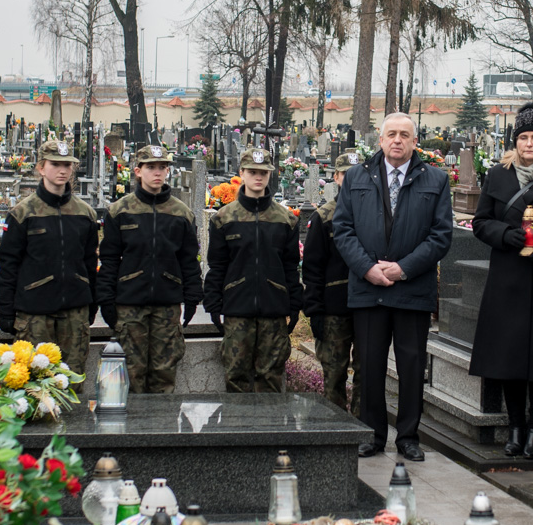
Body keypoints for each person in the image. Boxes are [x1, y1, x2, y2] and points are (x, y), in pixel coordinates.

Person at [333, 112, 454, 460]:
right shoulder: (356, 177)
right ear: (381, 140)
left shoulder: (435, 179)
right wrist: (367, 268)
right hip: (369, 289)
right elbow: (343, 229)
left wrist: (403, 269)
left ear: (415, 142)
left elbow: (441, 235)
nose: (397, 140)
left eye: (404, 135)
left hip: (411, 289)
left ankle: (408, 437)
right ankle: (372, 434)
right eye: (391, 134)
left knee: (411, 367)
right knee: (369, 366)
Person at [467, 103, 533, 459]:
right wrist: (505, 234)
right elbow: (481, 222)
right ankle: (515, 427)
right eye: (523, 137)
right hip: (508, 277)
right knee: (509, 356)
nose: (529, 144)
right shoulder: (497, 175)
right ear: (515, 141)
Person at [96, 144, 202, 393]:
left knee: (164, 375)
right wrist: (106, 299)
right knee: (131, 375)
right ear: (138, 171)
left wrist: (192, 298)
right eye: (151, 167)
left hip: (167, 305)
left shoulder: (181, 213)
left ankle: (161, 419)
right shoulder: (120, 211)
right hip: (130, 306)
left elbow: (189, 260)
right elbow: (109, 260)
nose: (157, 173)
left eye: (162, 168)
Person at [0, 138, 99, 378]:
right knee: (35, 384)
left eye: (67, 165)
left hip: (75, 313)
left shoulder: (85, 213)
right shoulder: (23, 213)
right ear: (41, 167)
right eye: (55, 164)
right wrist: (6, 310)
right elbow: (9, 264)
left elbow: (89, 262)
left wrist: (92, 302)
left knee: (72, 381)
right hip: (35, 314)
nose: (62, 170)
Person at [204, 148, 303, 392]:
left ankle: (268, 420)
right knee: (236, 379)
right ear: (242, 173)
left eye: (263, 172)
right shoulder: (224, 218)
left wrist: (294, 305)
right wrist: (213, 304)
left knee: (270, 379)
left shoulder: (286, 220)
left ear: (270, 175)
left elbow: (291, 266)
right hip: (238, 310)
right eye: (252, 172)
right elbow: (217, 265)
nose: (258, 177)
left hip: (273, 311)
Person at [302, 151, 363, 415]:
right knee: (334, 373)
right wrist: (314, 310)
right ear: (336, 177)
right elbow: (312, 268)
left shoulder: (374, 214)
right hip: (333, 310)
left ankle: (363, 426)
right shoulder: (324, 217)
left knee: (366, 373)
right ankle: (335, 426)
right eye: (345, 174)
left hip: (367, 307)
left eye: (356, 174)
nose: (351, 179)